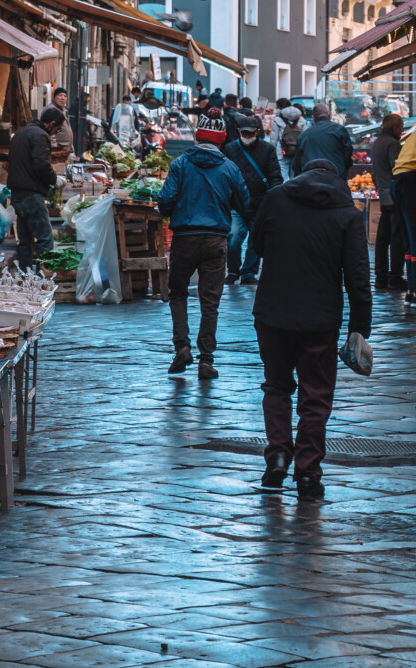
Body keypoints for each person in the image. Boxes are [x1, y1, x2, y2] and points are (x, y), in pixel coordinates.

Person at [249, 158, 372, 500]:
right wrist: (360, 328)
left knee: (276, 386)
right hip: (320, 319)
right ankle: (307, 473)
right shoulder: (348, 213)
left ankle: (276, 454)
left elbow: (257, 246)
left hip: (272, 313)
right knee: (315, 397)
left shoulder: (276, 198)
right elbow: (358, 277)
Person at [156, 138, 251, 379]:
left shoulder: (180, 164)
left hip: (185, 238)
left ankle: (182, 347)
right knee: (210, 302)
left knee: (178, 293)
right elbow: (244, 202)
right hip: (215, 239)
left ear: (197, 138)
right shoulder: (229, 167)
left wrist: (176, 209)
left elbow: (165, 200)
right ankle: (206, 360)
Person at [223, 112, 281, 284]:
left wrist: (274, 196)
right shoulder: (230, 149)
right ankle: (233, 271)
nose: (247, 137)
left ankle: (249, 272)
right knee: (233, 238)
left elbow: (275, 175)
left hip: (260, 203)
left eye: (250, 133)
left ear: (257, 132)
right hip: (237, 204)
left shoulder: (267, 149)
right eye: (244, 133)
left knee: (256, 242)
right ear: (239, 131)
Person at [7, 112, 57, 269]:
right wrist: (55, 179)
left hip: (17, 193)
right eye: (58, 129)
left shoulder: (22, 132)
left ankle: (25, 278)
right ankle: (43, 279)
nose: (56, 133)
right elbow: (42, 165)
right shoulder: (41, 135)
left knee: (25, 241)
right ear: (51, 124)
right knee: (45, 239)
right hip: (31, 194)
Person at [369, 112, 406, 291]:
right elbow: (397, 168)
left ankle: (380, 277)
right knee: (396, 238)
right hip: (393, 196)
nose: (403, 130)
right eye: (401, 127)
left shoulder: (377, 142)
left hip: (383, 195)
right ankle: (394, 277)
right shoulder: (392, 143)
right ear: (395, 128)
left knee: (382, 239)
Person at [392, 119, 416, 305]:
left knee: (408, 237)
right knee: (415, 235)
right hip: (410, 181)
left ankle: (412, 290)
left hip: (397, 181)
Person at [292, 101, 354, 179]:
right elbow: (348, 153)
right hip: (336, 176)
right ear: (329, 115)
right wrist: (344, 169)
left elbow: (296, 163)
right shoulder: (339, 130)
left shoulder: (303, 136)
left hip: (311, 178)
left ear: (313, 117)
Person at [274, 104, 302, 179]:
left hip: (282, 152)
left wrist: (273, 153)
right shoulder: (301, 120)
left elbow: (274, 139)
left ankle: (285, 190)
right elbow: (304, 138)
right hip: (296, 152)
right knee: (294, 176)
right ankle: (294, 190)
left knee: (283, 176)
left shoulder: (277, 120)